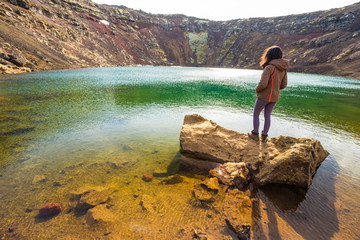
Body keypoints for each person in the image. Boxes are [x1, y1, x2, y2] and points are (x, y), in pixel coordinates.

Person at [248, 46, 289, 142]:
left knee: (256, 114)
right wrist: (275, 89)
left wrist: (257, 89)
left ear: (270, 55)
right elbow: (284, 84)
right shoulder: (283, 69)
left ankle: (255, 134)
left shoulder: (269, 68)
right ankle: (264, 137)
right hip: (274, 97)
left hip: (264, 96)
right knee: (268, 116)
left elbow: (263, 84)